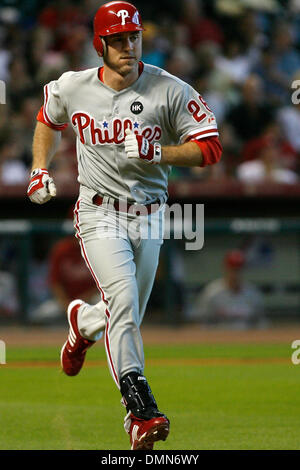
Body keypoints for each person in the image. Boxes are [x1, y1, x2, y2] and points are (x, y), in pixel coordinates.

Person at [27, 1, 222, 450]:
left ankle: (84, 322)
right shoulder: (74, 86)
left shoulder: (169, 89)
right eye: (117, 39)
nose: (128, 45)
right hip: (98, 212)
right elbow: (47, 118)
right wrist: (40, 167)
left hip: (151, 214)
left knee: (123, 311)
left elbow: (210, 148)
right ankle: (139, 409)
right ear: (100, 44)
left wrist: (162, 153)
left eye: (133, 36)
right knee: (126, 301)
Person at [191, 250, 264, 328]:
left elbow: (261, 323)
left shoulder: (253, 293)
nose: (235, 273)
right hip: (219, 337)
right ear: (225, 268)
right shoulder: (212, 292)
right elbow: (200, 322)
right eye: (232, 269)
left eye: (238, 269)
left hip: (247, 338)